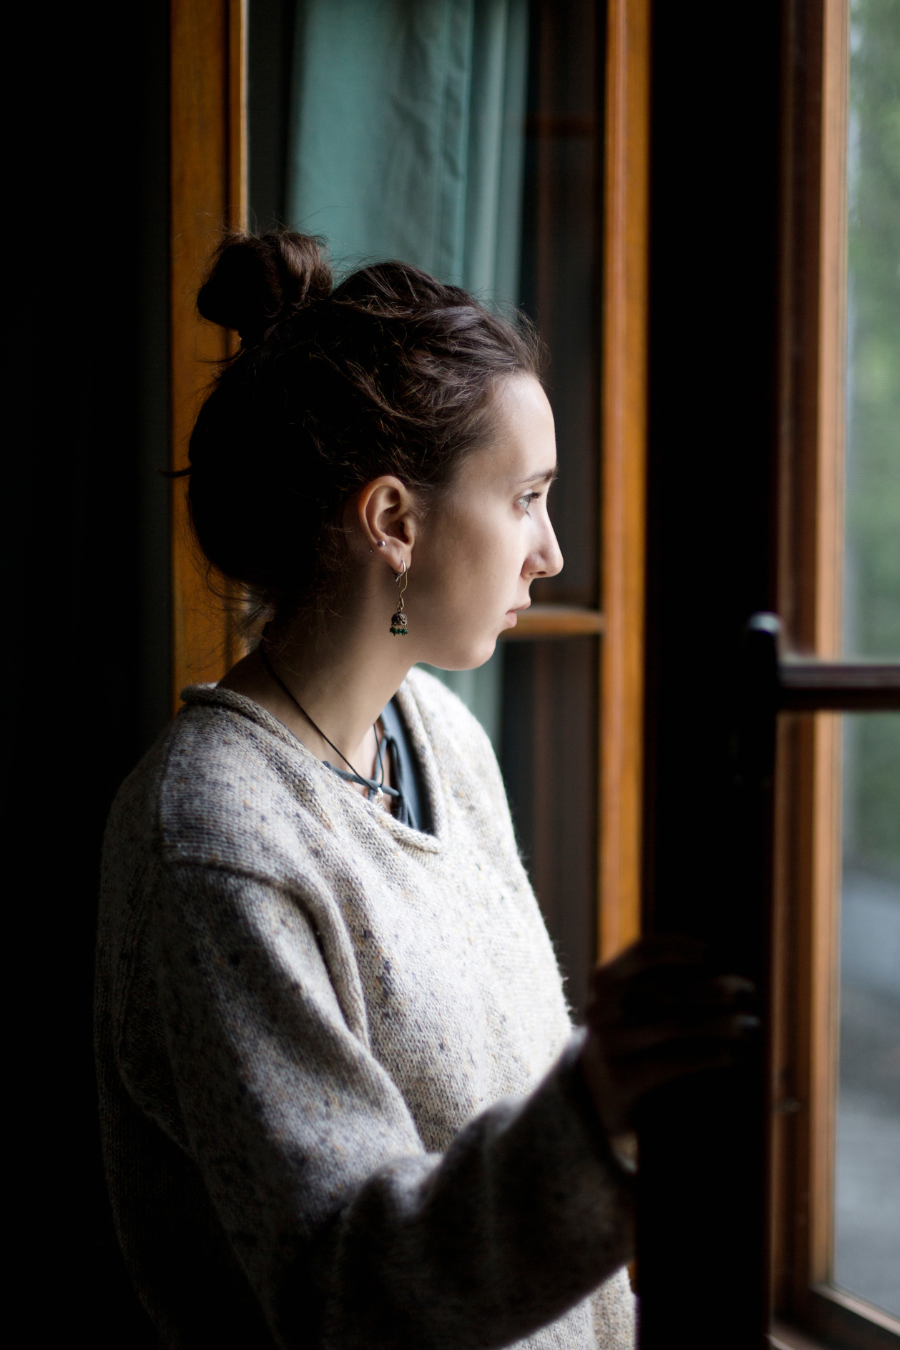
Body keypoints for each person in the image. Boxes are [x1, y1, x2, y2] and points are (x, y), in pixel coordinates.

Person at [95, 232, 756, 1350]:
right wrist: (597, 1108)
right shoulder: (214, 841)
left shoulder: (437, 737)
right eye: (529, 498)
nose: (550, 552)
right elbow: (344, 1288)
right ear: (394, 521)